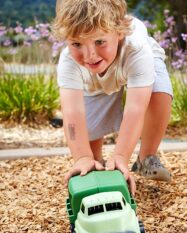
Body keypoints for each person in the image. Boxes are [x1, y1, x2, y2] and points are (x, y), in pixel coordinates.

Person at [51, 0, 173, 195]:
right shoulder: (70, 62)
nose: (90, 55)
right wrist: (82, 157)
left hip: (132, 62)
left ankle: (146, 158)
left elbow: (135, 109)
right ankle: (95, 163)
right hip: (93, 78)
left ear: (119, 32)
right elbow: (72, 113)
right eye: (76, 44)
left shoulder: (137, 50)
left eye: (99, 42)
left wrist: (121, 156)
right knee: (89, 132)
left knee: (159, 94)